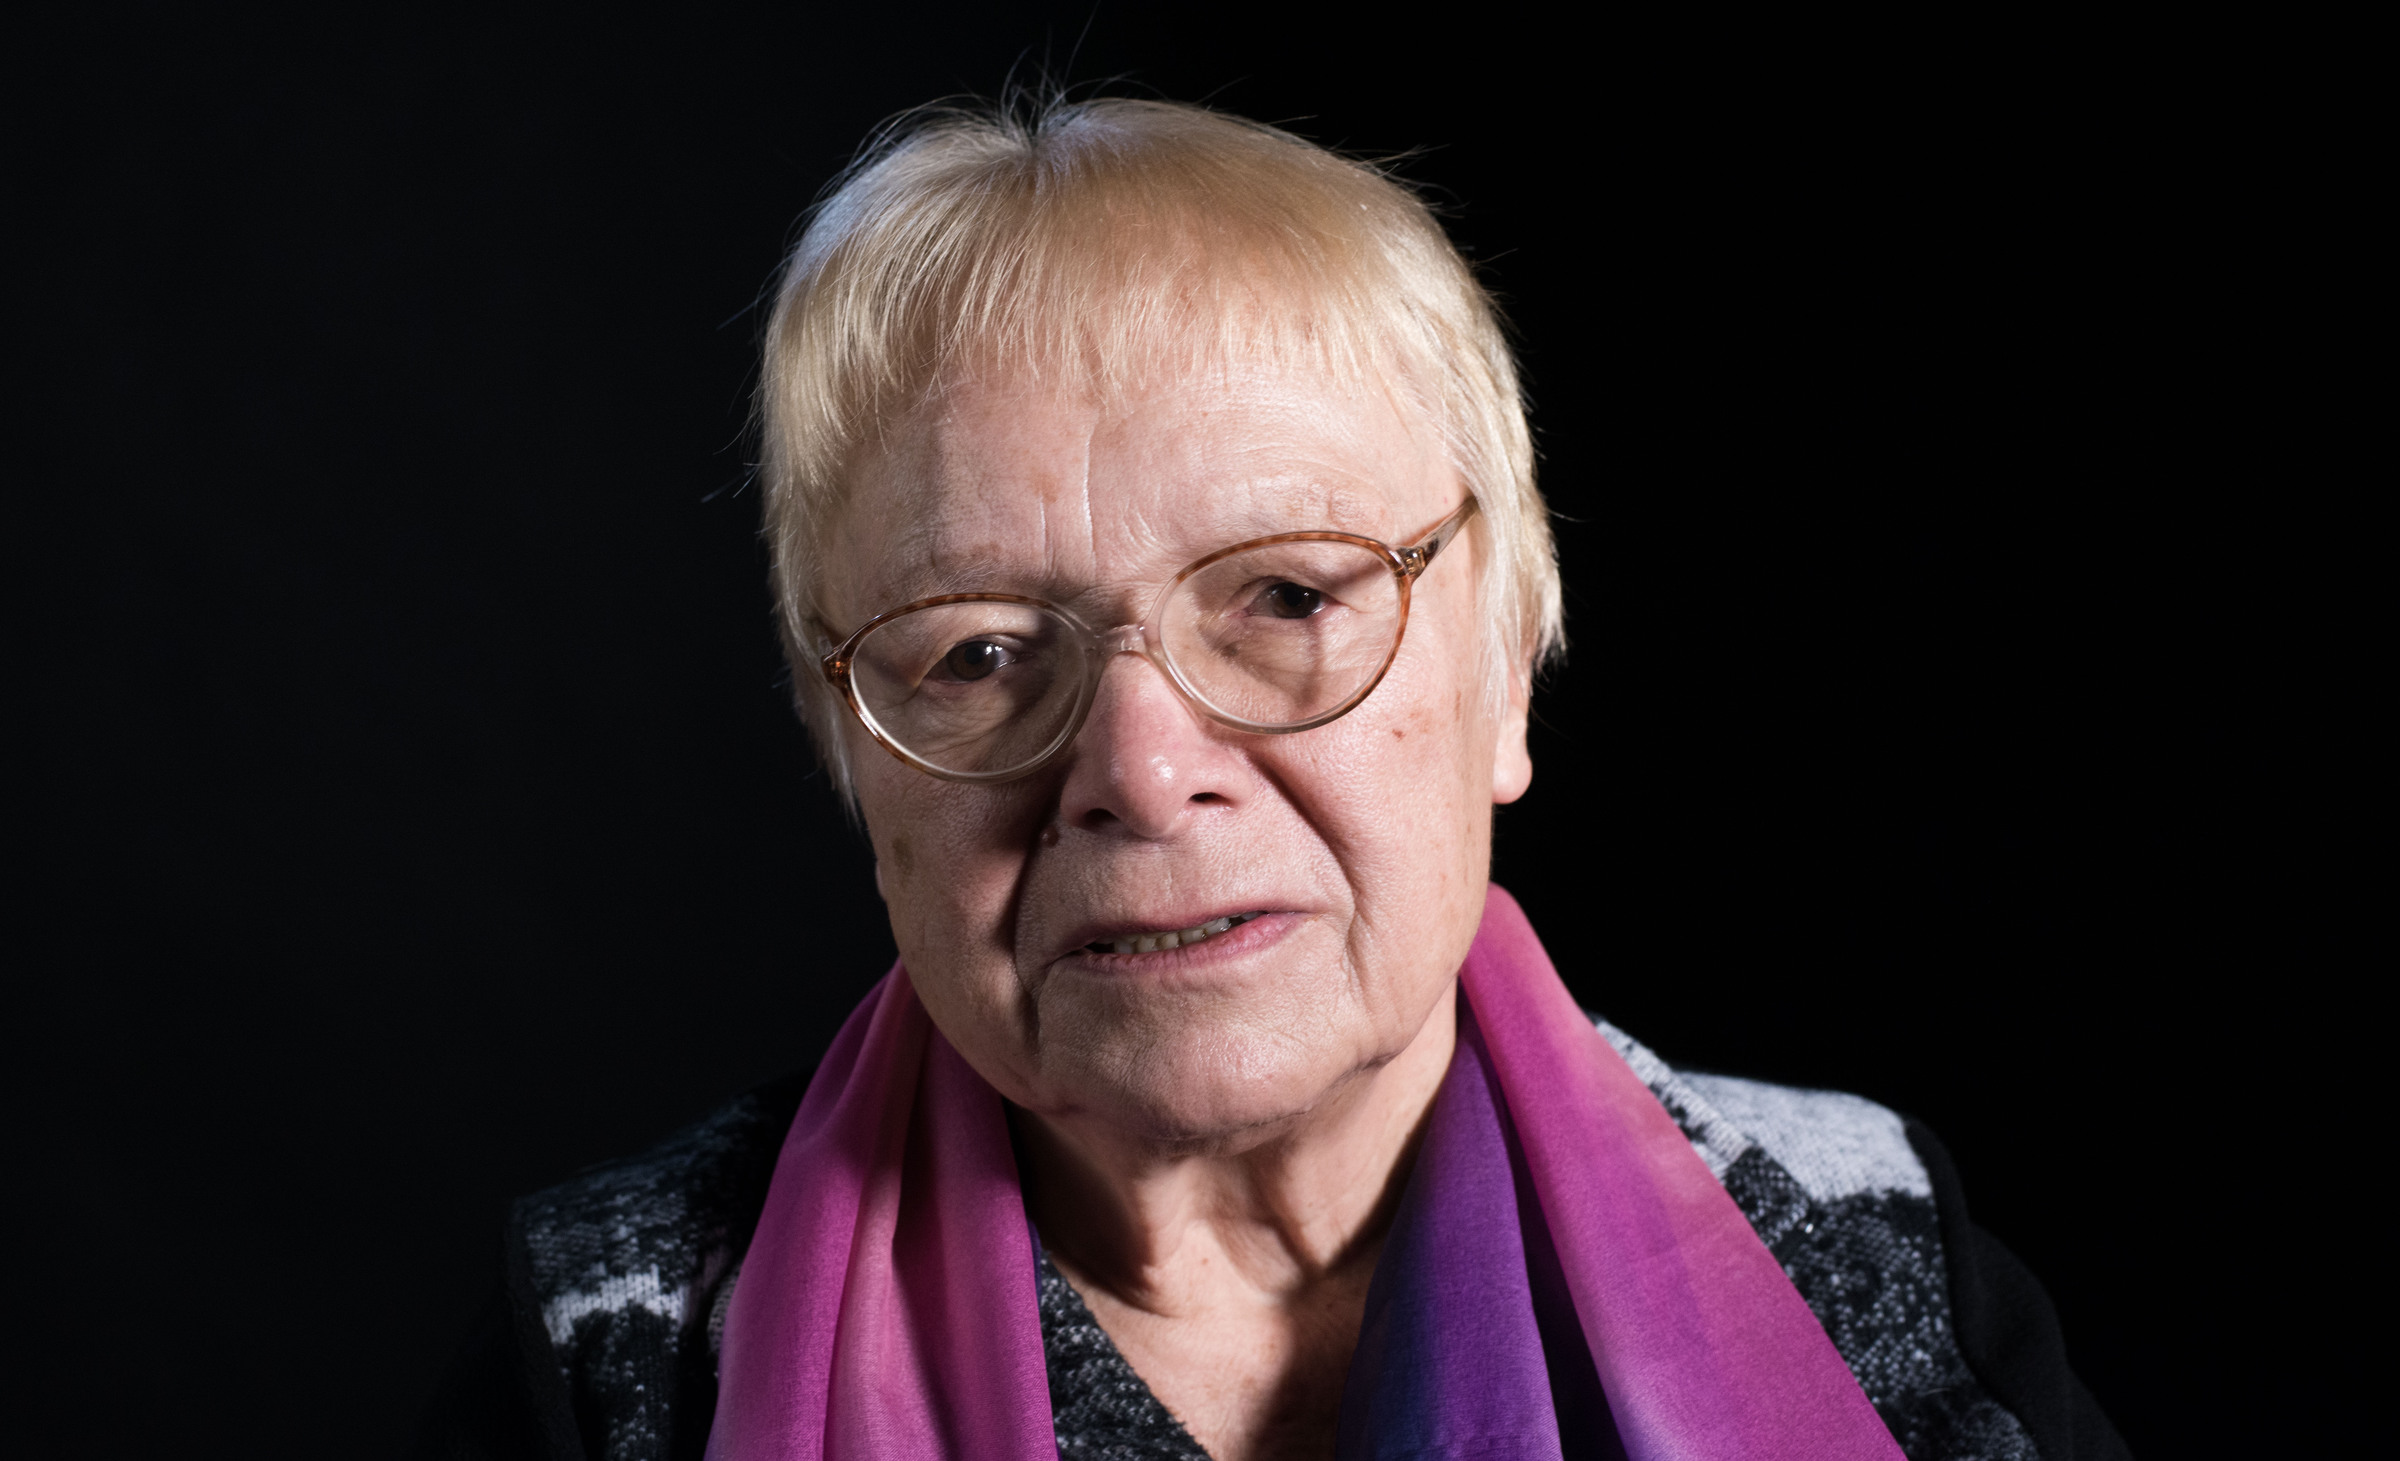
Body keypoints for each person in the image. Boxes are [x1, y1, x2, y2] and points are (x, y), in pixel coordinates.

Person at [420, 96, 2127, 1461]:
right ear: (861, 761)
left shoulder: (1871, 1248)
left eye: (1290, 598)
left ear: (1503, 670)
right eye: (983, 652)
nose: (1142, 772)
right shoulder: (615, 1356)